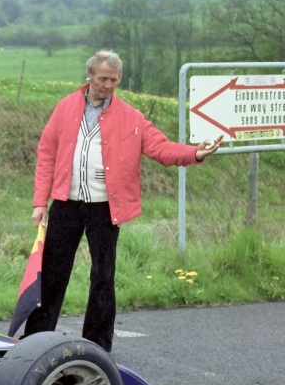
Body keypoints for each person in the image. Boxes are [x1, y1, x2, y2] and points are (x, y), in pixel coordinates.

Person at [22, 49, 223, 352]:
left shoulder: (131, 117)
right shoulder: (65, 107)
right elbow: (46, 152)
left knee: (103, 277)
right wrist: (40, 202)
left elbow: (160, 148)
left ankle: (97, 346)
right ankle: (35, 341)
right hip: (66, 204)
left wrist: (194, 153)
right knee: (52, 274)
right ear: (89, 76)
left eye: (114, 80)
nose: (108, 85)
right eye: (103, 79)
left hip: (105, 208)